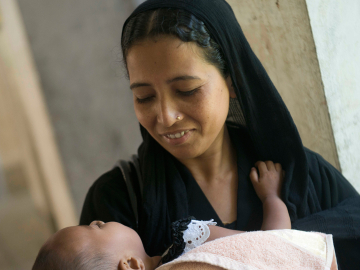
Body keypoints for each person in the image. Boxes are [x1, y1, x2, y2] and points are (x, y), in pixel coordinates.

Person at [80, 0, 360, 269]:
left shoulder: (300, 178)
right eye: (144, 97)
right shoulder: (116, 204)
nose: (165, 116)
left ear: (232, 82)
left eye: (187, 90)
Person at [33, 161, 294, 270]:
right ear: (131, 265)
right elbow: (274, 246)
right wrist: (272, 197)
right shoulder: (190, 240)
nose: (98, 219)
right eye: (97, 227)